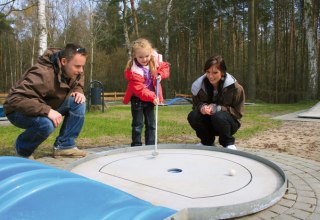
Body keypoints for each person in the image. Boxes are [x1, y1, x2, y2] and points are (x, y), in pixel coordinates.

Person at [4, 43, 88, 159]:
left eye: (82, 66)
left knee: (78, 102)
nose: (81, 70)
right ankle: (23, 149)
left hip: (43, 105)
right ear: (64, 62)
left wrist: (79, 90)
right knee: (46, 124)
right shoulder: (42, 73)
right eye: (77, 66)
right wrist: (47, 111)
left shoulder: (71, 69)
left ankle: (64, 146)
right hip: (17, 111)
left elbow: (78, 80)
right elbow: (15, 99)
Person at [187, 55, 245, 150]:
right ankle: (207, 142)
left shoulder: (236, 88)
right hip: (208, 122)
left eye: (215, 72)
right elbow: (195, 106)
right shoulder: (198, 87)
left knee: (218, 116)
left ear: (222, 72)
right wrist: (202, 107)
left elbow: (238, 113)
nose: (210, 76)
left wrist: (217, 108)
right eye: (208, 72)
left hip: (228, 124)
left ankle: (228, 144)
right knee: (193, 115)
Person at [123, 38, 170, 146]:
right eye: (140, 57)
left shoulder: (155, 61)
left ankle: (151, 145)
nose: (144, 59)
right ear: (135, 56)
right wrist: (153, 96)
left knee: (151, 124)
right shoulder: (133, 70)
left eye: (147, 56)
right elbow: (139, 89)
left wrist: (160, 75)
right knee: (137, 124)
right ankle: (136, 145)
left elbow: (165, 69)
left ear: (150, 53)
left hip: (150, 99)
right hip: (137, 99)